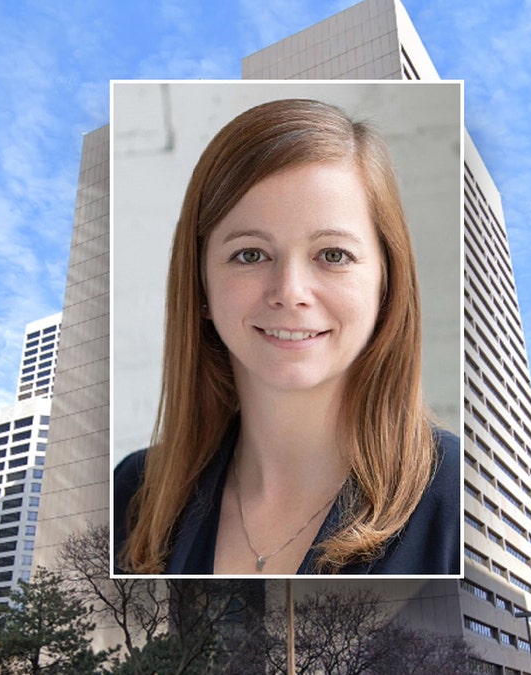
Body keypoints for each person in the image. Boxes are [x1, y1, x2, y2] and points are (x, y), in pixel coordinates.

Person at [114, 97, 459, 575]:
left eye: (333, 255)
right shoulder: (132, 491)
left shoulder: (456, 494)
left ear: (387, 282)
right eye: (251, 255)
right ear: (201, 286)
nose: (290, 292)